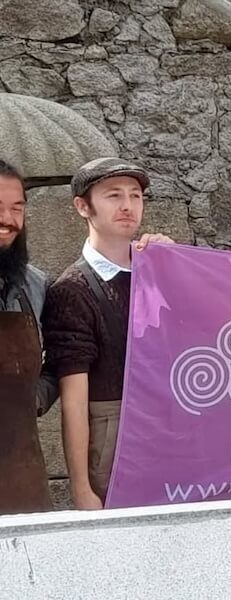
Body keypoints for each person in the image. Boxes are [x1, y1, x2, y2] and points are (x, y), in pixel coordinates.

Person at [42, 158, 173, 509]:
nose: (128, 206)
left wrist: (179, 267)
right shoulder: (73, 289)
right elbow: (74, 400)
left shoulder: (159, 267)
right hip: (113, 436)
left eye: (136, 195)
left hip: (172, 428)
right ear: (83, 206)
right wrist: (81, 488)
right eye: (113, 195)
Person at [0, 159, 57, 515]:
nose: (8, 220)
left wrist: (33, 398)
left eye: (16, 208)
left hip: (22, 477)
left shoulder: (35, 286)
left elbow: (62, 362)